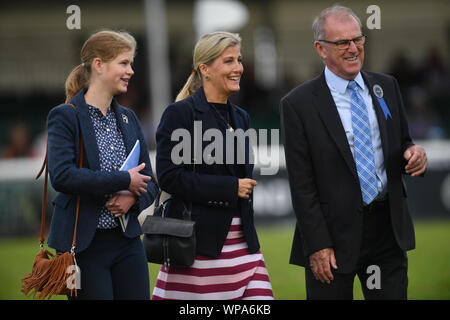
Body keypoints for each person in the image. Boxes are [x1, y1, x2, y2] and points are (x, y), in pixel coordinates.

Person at [280, 5, 427, 300]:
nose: (353, 48)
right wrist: (318, 244)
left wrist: (413, 152)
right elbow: (302, 184)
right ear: (321, 49)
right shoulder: (297, 104)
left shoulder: (386, 87)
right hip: (331, 240)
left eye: (357, 39)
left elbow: (403, 142)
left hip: (387, 232)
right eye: (342, 42)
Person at [152, 31, 273, 300]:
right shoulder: (179, 114)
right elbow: (170, 177)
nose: (238, 68)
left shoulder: (241, 117)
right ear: (204, 69)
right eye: (228, 61)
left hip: (244, 246)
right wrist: (229, 188)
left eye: (239, 60)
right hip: (198, 247)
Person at [46, 30, 158, 300]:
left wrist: (132, 197)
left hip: (128, 243)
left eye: (131, 64)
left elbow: (151, 183)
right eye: (123, 63)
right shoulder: (64, 116)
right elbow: (62, 176)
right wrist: (123, 181)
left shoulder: (130, 119)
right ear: (99, 65)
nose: (130, 71)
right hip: (83, 247)